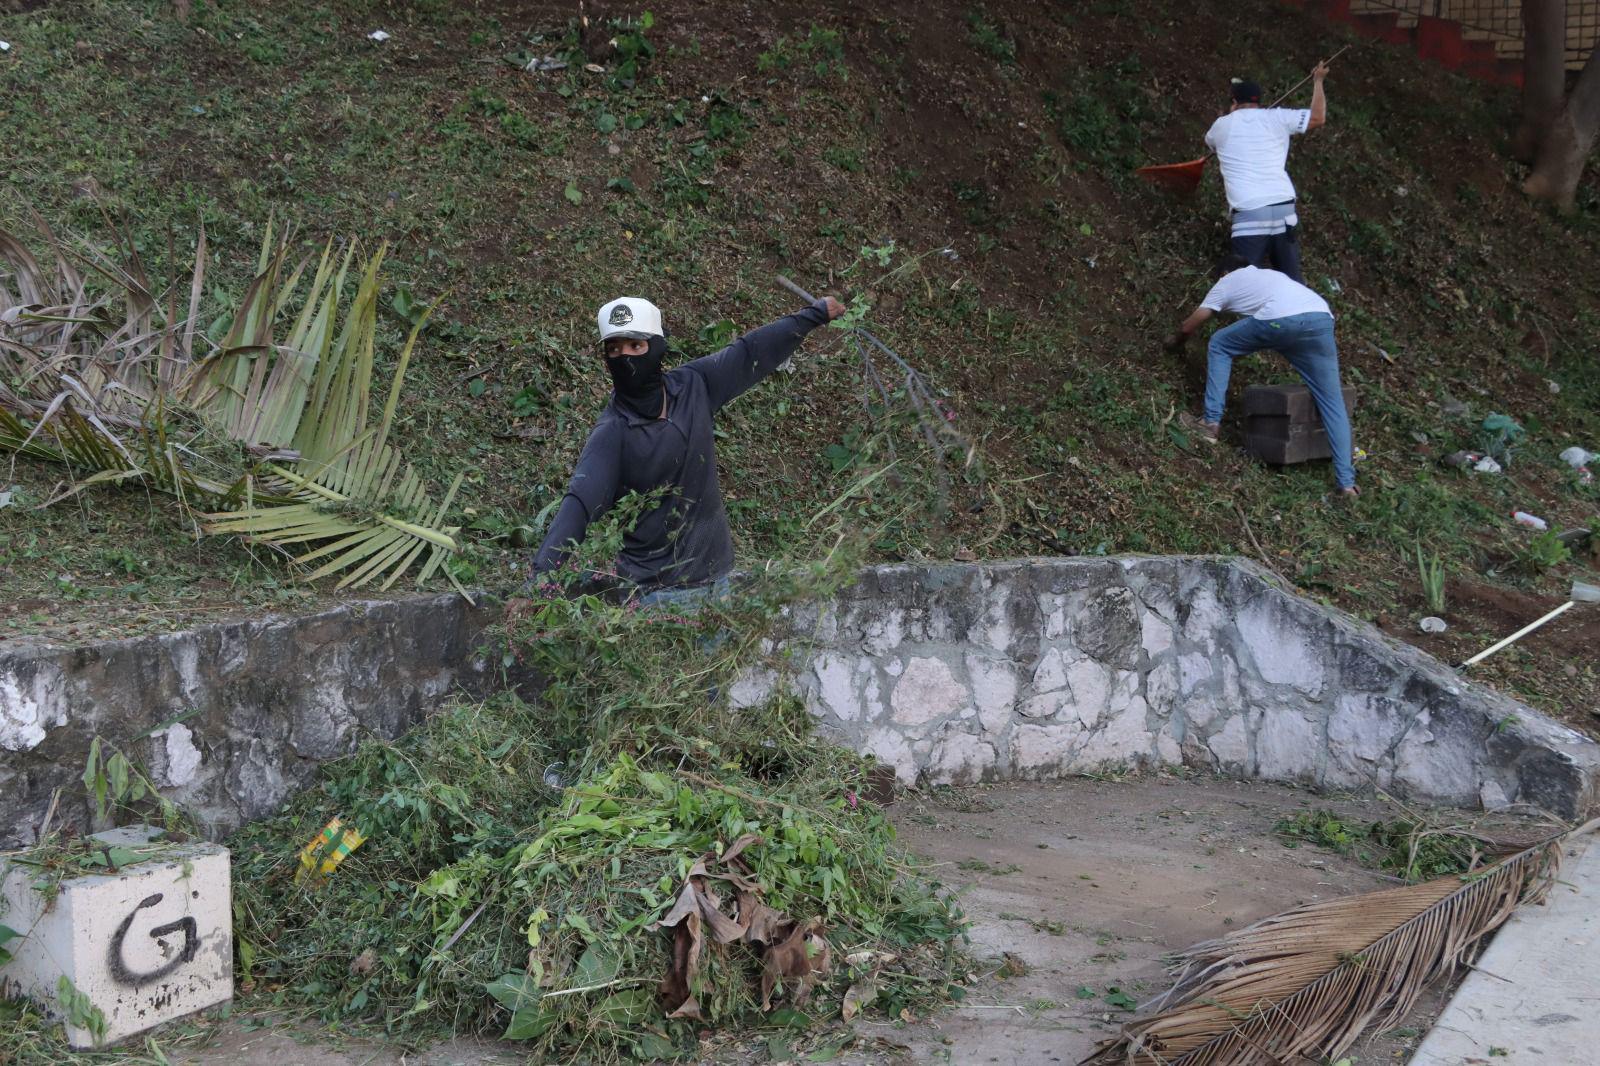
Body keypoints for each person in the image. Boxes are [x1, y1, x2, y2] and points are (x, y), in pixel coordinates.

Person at [524, 292, 846, 606]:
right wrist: (539, 580)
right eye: (614, 349)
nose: (625, 358)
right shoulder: (613, 433)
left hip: (716, 583)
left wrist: (814, 315)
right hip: (656, 597)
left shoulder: (694, 387)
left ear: (658, 346)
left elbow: (749, 353)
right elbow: (578, 505)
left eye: (636, 346)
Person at [1164, 255, 1357, 497]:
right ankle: (1347, 485)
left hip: (1280, 319)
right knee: (1332, 401)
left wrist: (1177, 341)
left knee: (1220, 345)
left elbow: (1192, 322)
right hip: (1320, 318)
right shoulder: (1271, 275)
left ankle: (1210, 423)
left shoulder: (1226, 281)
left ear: (1224, 273)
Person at [1204, 62, 1329, 283]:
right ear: (1258, 100)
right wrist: (1318, 81)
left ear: (1234, 102)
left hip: (1249, 211)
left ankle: (1248, 316)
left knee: (1242, 283)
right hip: (1284, 208)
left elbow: (1211, 144)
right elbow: (1318, 118)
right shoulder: (1278, 117)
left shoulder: (1221, 126)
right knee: (1291, 283)